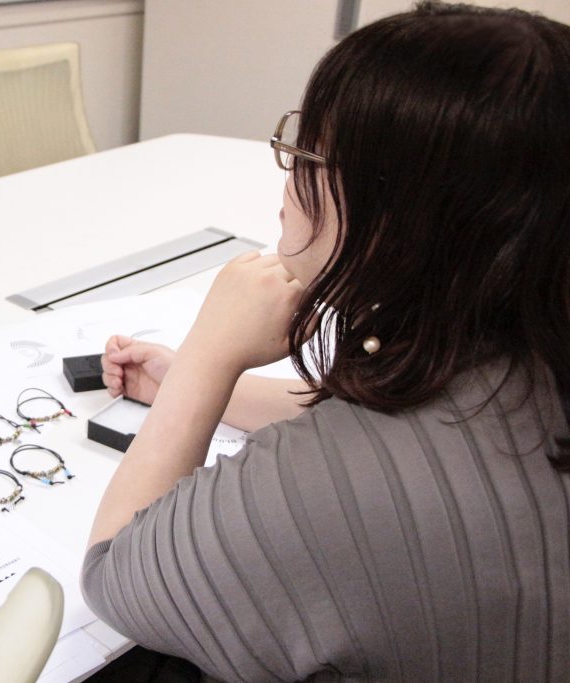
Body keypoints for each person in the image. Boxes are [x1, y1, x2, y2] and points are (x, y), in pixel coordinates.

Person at [81, 2, 570, 681]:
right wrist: (186, 381)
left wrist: (209, 354)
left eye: (308, 154)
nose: (288, 177)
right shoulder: (529, 350)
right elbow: (405, 412)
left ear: (400, 216)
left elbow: (116, 574)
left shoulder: (332, 493)